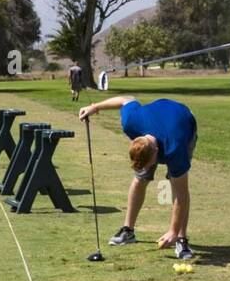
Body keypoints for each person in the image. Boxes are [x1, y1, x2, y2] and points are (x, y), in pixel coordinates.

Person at [78, 95, 197, 259]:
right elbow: (125, 99)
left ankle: (181, 240)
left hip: (184, 120)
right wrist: (95, 107)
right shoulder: (130, 122)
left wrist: (173, 231)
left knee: (177, 186)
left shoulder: (175, 148)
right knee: (140, 178)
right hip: (157, 115)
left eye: (149, 164)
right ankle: (128, 230)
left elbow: (182, 196)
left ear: (156, 153)